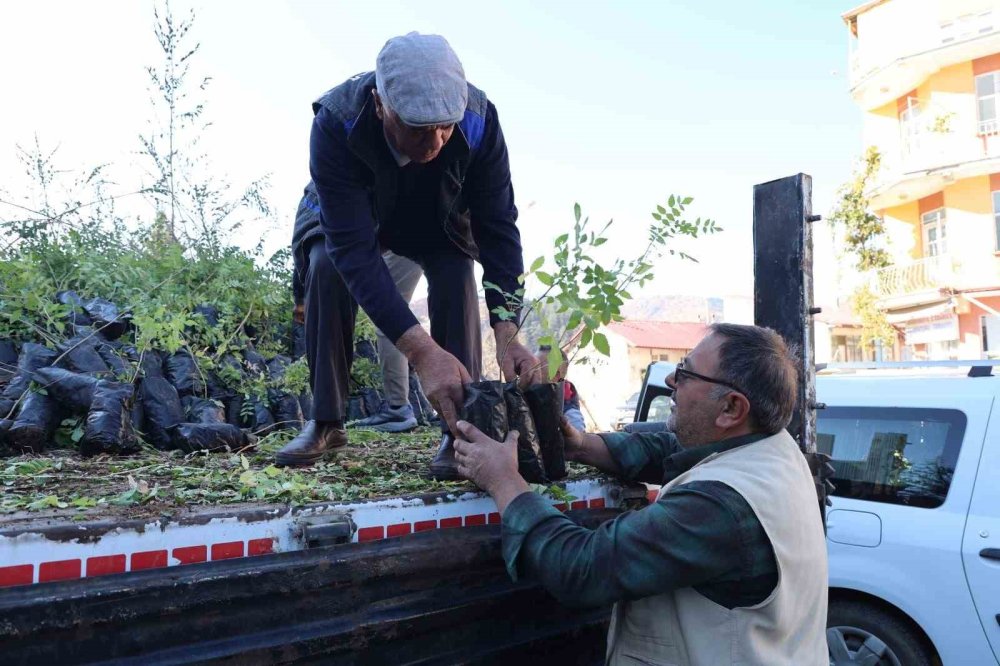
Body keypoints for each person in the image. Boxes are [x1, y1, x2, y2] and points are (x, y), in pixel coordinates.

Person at [454, 323, 828, 664]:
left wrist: (504, 481)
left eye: (685, 373)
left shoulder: (719, 508)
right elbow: (672, 450)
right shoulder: (775, 450)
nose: (670, 381)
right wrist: (582, 445)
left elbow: (581, 568)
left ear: (731, 408)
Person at [277, 32, 539, 478]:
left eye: (444, 126)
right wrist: (420, 351)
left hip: (436, 210)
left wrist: (508, 327)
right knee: (326, 263)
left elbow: (498, 226)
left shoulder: (479, 121)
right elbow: (354, 251)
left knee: (455, 264)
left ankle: (458, 430)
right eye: (418, 128)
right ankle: (326, 421)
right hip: (359, 209)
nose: (435, 142)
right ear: (381, 105)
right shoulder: (337, 123)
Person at [536, 344, 585, 431]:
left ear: (556, 375)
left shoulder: (569, 415)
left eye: (538, 367)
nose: (530, 370)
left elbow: (578, 437)